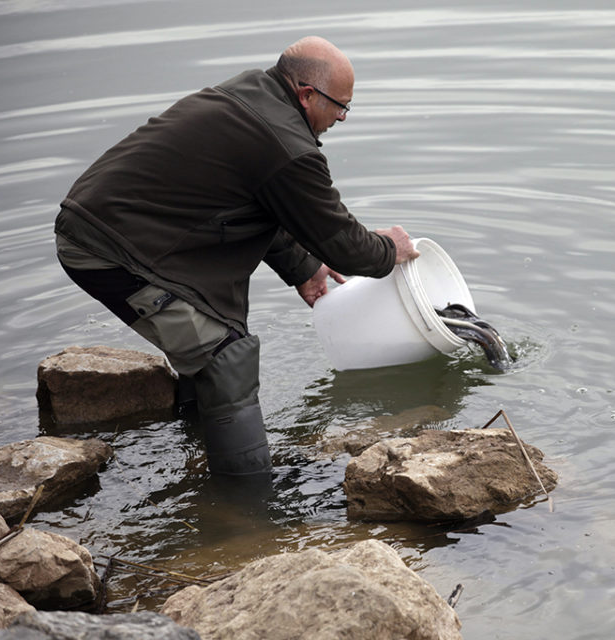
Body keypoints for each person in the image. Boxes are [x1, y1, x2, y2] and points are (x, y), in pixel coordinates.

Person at [54, 36, 418, 479]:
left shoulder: (249, 94)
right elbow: (345, 245)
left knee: (211, 329)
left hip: (114, 228)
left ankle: (197, 451)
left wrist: (303, 268)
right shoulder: (287, 145)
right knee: (226, 355)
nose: (341, 117)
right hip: (107, 249)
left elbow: (251, 203)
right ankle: (247, 511)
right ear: (306, 94)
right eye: (340, 106)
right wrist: (391, 250)